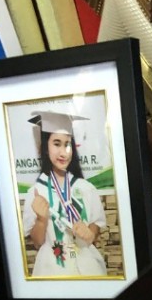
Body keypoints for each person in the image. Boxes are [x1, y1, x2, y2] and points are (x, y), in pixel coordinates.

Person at [22, 108, 108, 276]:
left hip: (86, 264)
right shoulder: (36, 192)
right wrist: (41, 220)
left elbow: (95, 225)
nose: (63, 152)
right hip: (51, 267)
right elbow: (38, 242)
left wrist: (90, 233)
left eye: (67, 144)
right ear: (45, 147)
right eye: (56, 144)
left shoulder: (86, 188)